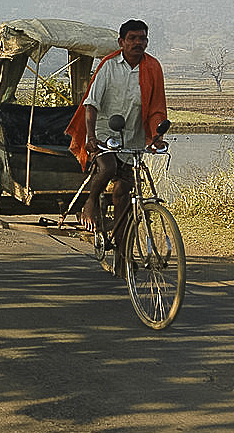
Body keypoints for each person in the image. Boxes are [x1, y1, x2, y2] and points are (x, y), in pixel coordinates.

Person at [65, 20, 167, 271]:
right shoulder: (109, 66)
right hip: (102, 132)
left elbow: (156, 108)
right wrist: (90, 138)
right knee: (108, 167)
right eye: (132, 38)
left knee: (124, 196)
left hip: (131, 136)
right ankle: (89, 204)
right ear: (121, 42)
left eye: (142, 38)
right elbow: (91, 104)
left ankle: (122, 258)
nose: (138, 43)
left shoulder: (152, 68)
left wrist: (156, 136)